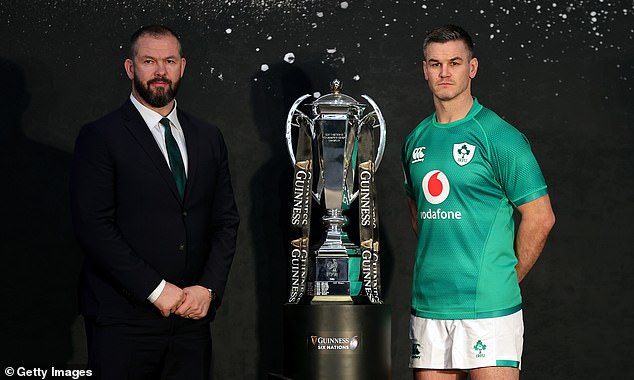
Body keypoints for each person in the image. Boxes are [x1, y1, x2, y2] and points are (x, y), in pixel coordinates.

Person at [70, 24, 240, 379]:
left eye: (169, 61)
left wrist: (208, 289)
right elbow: (94, 227)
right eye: (149, 61)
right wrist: (156, 290)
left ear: (182, 67)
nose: (160, 71)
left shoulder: (208, 137)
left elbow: (225, 221)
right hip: (123, 320)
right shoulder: (101, 137)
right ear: (131, 68)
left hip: (191, 318)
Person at [401, 25, 555, 380]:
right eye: (435, 64)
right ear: (424, 69)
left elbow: (541, 217)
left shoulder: (500, 137)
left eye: (454, 62)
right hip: (429, 305)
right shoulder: (414, 141)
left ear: (472, 68)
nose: (444, 72)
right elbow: (418, 215)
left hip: (490, 309)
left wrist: (506, 279)